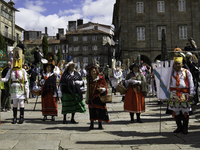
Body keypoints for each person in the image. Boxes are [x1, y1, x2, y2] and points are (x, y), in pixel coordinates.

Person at [0, 47, 28, 124]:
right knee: (15, 104)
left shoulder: (23, 70)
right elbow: (6, 79)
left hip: (21, 88)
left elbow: (26, 81)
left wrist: (26, 89)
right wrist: (1, 79)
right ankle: (14, 118)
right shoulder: (11, 70)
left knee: (21, 103)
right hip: (13, 89)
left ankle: (21, 117)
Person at [168, 57, 195, 134]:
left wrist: (192, 94)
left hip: (184, 94)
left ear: (182, 64)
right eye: (176, 63)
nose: (177, 65)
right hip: (174, 94)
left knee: (185, 111)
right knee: (176, 111)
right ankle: (179, 127)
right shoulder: (170, 73)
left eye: (179, 63)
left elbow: (191, 83)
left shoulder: (187, 72)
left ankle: (185, 128)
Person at [86, 65, 110, 130]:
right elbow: (87, 90)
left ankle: (100, 125)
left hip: (99, 98)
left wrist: (102, 89)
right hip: (91, 98)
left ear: (96, 71)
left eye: (94, 71)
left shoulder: (101, 78)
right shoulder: (89, 80)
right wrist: (86, 99)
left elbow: (106, 87)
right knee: (92, 111)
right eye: (91, 72)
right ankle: (91, 125)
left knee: (100, 111)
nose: (93, 73)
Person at [40, 53, 58, 121]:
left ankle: (53, 115)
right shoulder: (43, 74)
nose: (49, 68)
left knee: (52, 102)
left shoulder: (53, 74)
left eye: (50, 67)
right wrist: (42, 80)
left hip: (51, 91)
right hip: (45, 90)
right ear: (45, 68)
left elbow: (54, 82)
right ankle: (45, 115)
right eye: (47, 67)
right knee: (45, 102)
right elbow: (40, 82)